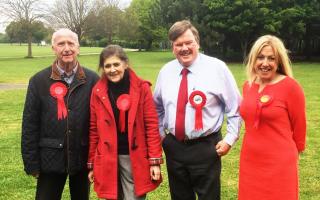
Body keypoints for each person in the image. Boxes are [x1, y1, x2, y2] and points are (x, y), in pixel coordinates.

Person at [153, 20, 241, 200]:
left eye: (188, 43)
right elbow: (157, 107)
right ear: (173, 48)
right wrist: (162, 135)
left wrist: (229, 139)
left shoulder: (217, 68)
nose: (184, 48)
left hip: (206, 147)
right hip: (174, 147)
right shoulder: (166, 71)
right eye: (178, 44)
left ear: (197, 43)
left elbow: (235, 107)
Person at [21, 28, 99, 200]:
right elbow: (30, 124)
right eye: (61, 44)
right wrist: (31, 163)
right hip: (50, 158)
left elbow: (99, 123)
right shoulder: (38, 81)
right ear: (53, 48)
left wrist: (97, 159)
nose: (66, 48)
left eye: (71, 43)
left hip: (82, 156)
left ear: (78, 48)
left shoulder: (93, 79)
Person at [87, 45, 163, 200]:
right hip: (107, 157)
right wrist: (92, 164)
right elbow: (94, 130)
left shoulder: (142, 88)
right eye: (107, 66)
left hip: (133, 157)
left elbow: (151, 126)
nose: (112, 70)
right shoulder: (97, 92)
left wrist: (154, 161)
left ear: (125, 64)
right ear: (102, 68)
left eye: (116, 64)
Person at [238, 35, 306, 200]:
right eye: (260, 57)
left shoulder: (291, 87)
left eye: (271, 58)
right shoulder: (248, 86)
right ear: (253, 59)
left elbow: (300, 128)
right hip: (250, 159)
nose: (265, 63)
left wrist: (289, 156)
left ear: (279, 61)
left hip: (280, 163)